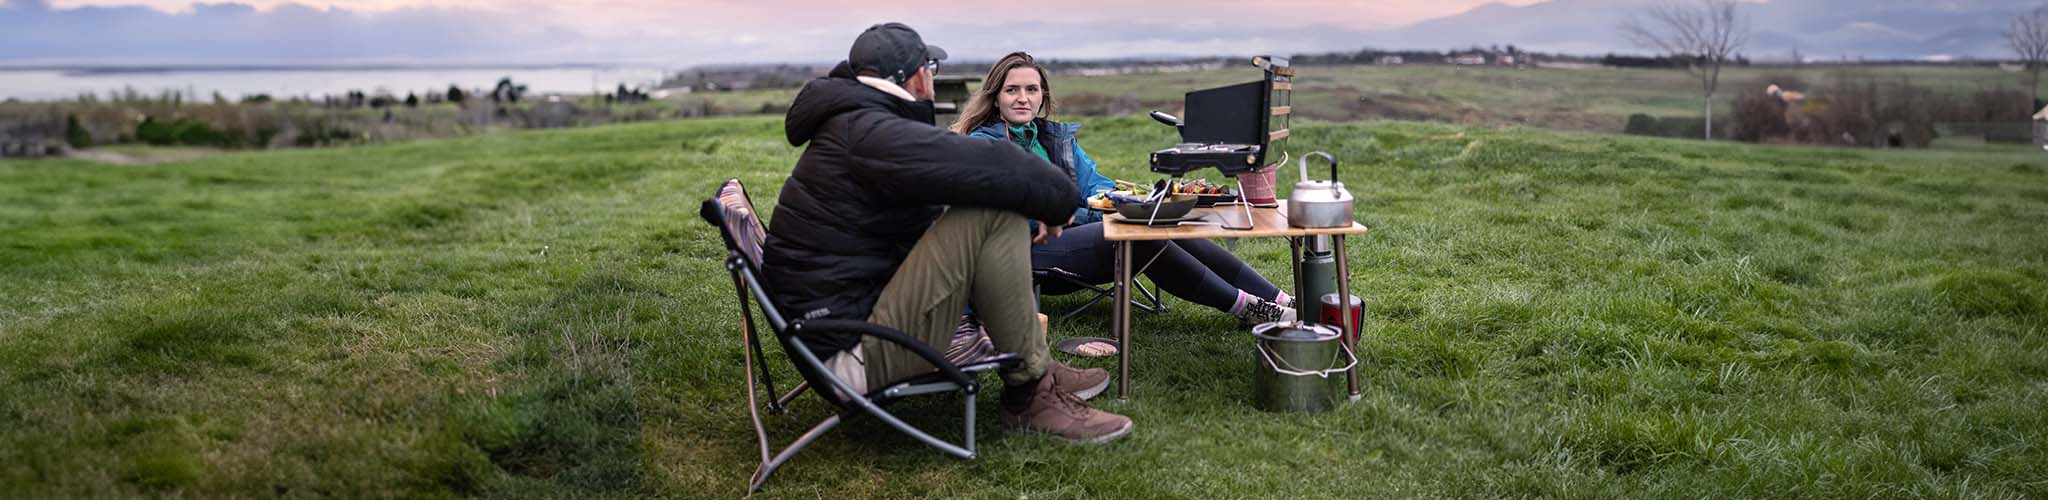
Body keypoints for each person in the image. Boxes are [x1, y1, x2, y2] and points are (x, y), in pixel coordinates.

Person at [762, 24, 1132, 443]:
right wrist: (1058, 201)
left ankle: (1035, 368)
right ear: (919, 75)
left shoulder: (856, 128)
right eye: (931, 67)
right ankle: (1030, 394)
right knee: (996, 212)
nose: (932, 77)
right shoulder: (869, 134)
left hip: (847, 324)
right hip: (854, 354)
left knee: (987, 207)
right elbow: (998, 164)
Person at [949, 52, 1297, 327]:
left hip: (1077, 236)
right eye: (1012, 90)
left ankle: (1279, 299)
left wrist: (1110, 201)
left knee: (1161, 223)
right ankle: (1248, 308)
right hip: (1025, 254)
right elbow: (1017, 216)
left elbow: (1096, 184)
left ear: (1043, 96)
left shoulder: (1052, 137)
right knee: (1135, 237)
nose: (1023, 98)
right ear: (995, 98)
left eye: (1031, 90)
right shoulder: (986, 146)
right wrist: (1086, 210)